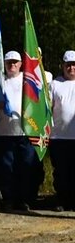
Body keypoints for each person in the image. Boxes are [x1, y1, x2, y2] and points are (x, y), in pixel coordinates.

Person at [0, 51, 41, 211]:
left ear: (21, 64)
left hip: (26, 132)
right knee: (7, 168)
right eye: (9, 62)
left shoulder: (28, 81)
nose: (12, 65)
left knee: (26, 166)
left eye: (15, 62)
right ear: (4, 64)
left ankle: (25, 199)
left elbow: (39, 102)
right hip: (5, 132)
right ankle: (9, 199)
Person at [50, 51, 75, 211]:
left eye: (74, 65)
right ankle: (61, 200)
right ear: (63, 66)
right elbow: (47, 109)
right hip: (58, 136)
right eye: (68, 65)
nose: (71, 68)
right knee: (60, 171)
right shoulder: (54, 84)